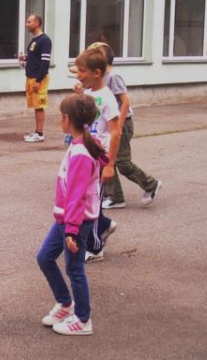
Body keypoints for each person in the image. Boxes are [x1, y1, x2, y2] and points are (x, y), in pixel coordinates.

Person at [37, 93, 108, 336]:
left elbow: (77, 195)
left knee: (74, 268)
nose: (59, 120)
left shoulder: (81, 153)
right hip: (66, 219)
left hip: (75, 222)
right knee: (45, 258)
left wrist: (72, 230)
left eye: (60, 116)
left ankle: (83, 319)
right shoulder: (81, 144)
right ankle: (66, 303)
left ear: (67, 119)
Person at [89, 42, 161, 209]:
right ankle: (115, 197)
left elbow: (125, 102)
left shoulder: (114, 77)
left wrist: (119, 127)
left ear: (104, 59)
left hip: (122, 122)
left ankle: (151, 184)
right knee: (106, 158)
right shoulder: (99, 78)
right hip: (109, 123)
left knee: (121, 162)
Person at [70, 48, 119, 263]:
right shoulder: (89, 94)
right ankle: (105, 224)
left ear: (96, 73)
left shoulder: (107, 98)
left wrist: (110, 164)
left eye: (82, 71)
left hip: (99, 159)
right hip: (85, 156)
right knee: (87, 198)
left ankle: (95, 247)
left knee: (92, 201)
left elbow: (115, 131)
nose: (78, 74)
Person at [20, 14, 51, 143]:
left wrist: (39, 80)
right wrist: (25, 58)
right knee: (35, 106)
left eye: (29, 22)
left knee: (39, 106)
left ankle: (40, 133)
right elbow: (35, 57)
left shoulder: (45, 40)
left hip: (38, 78)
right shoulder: (34, 40)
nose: (27, 24)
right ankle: (37, 131)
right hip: (31, 76)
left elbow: (45, 62)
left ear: (37, 23)